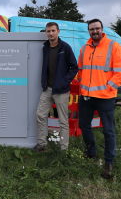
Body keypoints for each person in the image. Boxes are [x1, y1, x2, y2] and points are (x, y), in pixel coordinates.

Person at [77, 19, 121, 179]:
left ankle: (109, 162)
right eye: (92, 29)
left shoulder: (113, 46)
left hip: (105, 97)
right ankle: (91, 152)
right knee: (84, 125)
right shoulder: (84, 48)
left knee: (108, 130)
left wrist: (109, 86)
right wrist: (81, 83)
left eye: (97, 28)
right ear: (89, 31)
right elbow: (80, 69)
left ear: (102, 29)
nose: (95, 31)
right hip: (86, 96)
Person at [32, 22, 78, 152]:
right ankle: (42, 145)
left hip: (61, 90)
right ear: (46, 33)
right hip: (48, 89)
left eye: (53, 30)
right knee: (40, 115)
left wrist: (65, 81)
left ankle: (64, 150)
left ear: (58, 31)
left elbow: (74, 67)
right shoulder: (45, 47)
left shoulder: (65, 47)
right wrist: (44, 83)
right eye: (48, 31)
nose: (50, 33)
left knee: (63, 121)